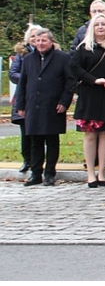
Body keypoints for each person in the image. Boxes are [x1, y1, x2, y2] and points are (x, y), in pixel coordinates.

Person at [13, 29, 75, 186]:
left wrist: (64, 102)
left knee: (52, 140)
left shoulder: (62, 58)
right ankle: (36, 173)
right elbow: (22, 84)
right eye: (37, 41)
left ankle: (49, 174)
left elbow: (70, 82)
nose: (40, 43)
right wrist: (20, 105)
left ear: (51, 41)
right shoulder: (28, 59)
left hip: (53, 105)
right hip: (33, 105)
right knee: (35, 141)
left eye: (43, 41)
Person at [71, 14, 105, 187]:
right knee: (90, 134)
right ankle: (90, 174)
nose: (100, 27)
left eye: (103, 24)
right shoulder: (84, 48)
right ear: (92, 28)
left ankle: (102, 172)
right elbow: (75, 68)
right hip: (89, 94)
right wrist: (93, 80)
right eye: (97, 25)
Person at [9, 24, 43, 173]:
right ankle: (27, 159)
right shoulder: (21, 55)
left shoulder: (49, 53)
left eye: (38, 35)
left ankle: (39, 161)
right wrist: (27, 78)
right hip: (26, 96)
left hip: (43, 98)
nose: (36, 39)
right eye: (33, 36)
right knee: (26, 132)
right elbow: (13, 73)